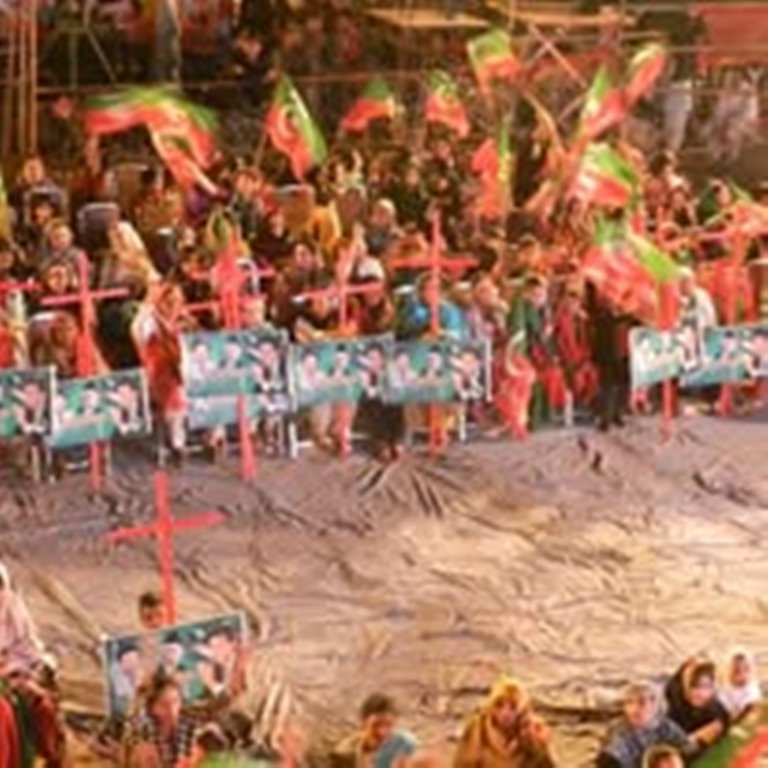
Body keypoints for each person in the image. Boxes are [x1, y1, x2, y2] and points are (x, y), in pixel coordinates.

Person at [454, 677, 555, 768]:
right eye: (500, 705)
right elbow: (463, 764)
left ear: (521, 710)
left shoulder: (529, 731)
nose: (505, 713)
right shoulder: (478, 730)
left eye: (512, 707)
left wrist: (540, 745)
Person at [596, 684, 691, 768]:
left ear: (654, 705)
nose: (635, 708)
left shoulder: (667, 728)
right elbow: (611, 758)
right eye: (629, 703)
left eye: (642, 702)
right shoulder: (619, 730)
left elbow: (686, 749)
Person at [124, 675, 198, 768]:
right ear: (152, 708)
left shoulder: (189, 724)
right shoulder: (143, 728)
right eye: (164, 705)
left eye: (175, 701)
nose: (172, 711)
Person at [333, 693, 419, 768]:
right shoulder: (345, 753)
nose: (382, 732)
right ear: (364, 722)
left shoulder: (404, 744)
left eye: (388, 725)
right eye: (376, 725)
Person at [664, 657, 731, 752]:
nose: (701, 693)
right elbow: (669, 751)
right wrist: (697, 737)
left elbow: (725, 722)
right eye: (695, 686)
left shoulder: (715, 708)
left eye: (707, 686)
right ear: (685, 686)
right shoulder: (674, 716)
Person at [719, 651, 761, 723]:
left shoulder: (752, 689)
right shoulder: (723, 689)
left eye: (746, 669)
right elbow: (725, 711)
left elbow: (752, 709)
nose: (742, 674)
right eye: (737, 671)